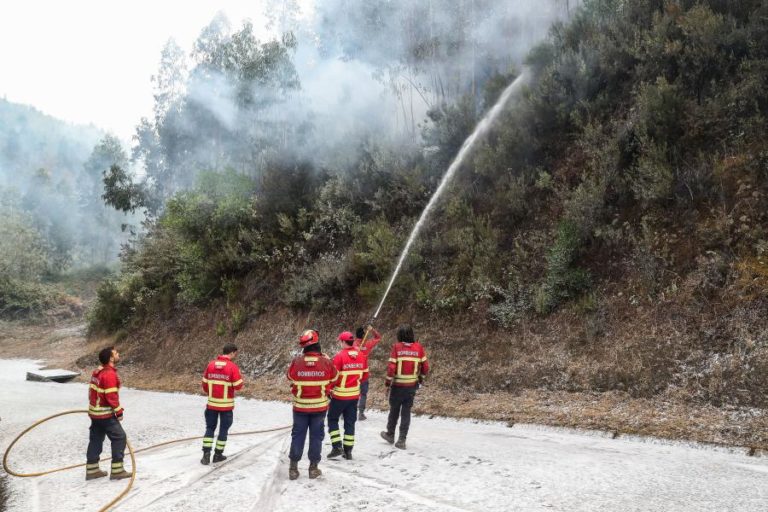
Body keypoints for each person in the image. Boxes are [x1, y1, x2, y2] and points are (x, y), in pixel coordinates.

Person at [287, 329, 337, 480]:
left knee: (298, 435)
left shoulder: (296, 362)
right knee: (316, 437)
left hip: (300, 408)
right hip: (319, 408)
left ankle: (293, 469)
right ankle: (313, 468)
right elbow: (335, 378)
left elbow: (290, 377)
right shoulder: (326, 363)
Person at [85, 346, 131, 480]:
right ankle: (117, 471)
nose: (118, 354)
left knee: (96, 439)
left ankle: (92, 470)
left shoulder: (97, 372)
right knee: (119, 437)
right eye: (116, 353)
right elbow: (111, 396)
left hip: (95, 414)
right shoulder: (109, 374)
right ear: (111, 358)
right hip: (105, 414)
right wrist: (119, 412)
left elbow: (92, 392)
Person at [380, 325, 430, 450]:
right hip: (411, 386)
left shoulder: (396, 347)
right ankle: (402, 439)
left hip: (397, 386)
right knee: (406, 412)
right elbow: (426, 367)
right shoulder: (419, 348)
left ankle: (390, 434)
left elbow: (391, 368)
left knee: (394, 411)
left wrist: (387, 384)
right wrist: (420, 378)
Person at [200, 343, 244, 465]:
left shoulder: (211, 365)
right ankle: (218, 455)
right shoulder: (232, 367)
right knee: (223, 430)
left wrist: (212, 393)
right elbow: (238, 386)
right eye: (236, 353)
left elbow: (204, 384)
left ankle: (206, 455)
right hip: (226, 406)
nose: (235, 356)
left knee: (209, 428)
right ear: (232, 353)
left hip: (212, 404)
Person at [326, 331, 365, 460]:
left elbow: (333, 377)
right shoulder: (361, 355)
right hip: (354, 396)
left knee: (332, 419)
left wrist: (328, 390)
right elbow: (365, 376)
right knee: (350, 422)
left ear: (343, 342)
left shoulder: (339, 356)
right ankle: (348, 451)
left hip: (339, 396)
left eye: (340, 341)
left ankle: (337, 446)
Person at [353, 325, 382, 421]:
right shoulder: (367, 344)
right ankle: (361, 413)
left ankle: (346, 412)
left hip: (353, 372)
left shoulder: (352, 344)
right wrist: (372, 330)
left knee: (351, 393)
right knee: (363, 394)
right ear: (364, 334)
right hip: (364, 372)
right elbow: (378, 337)